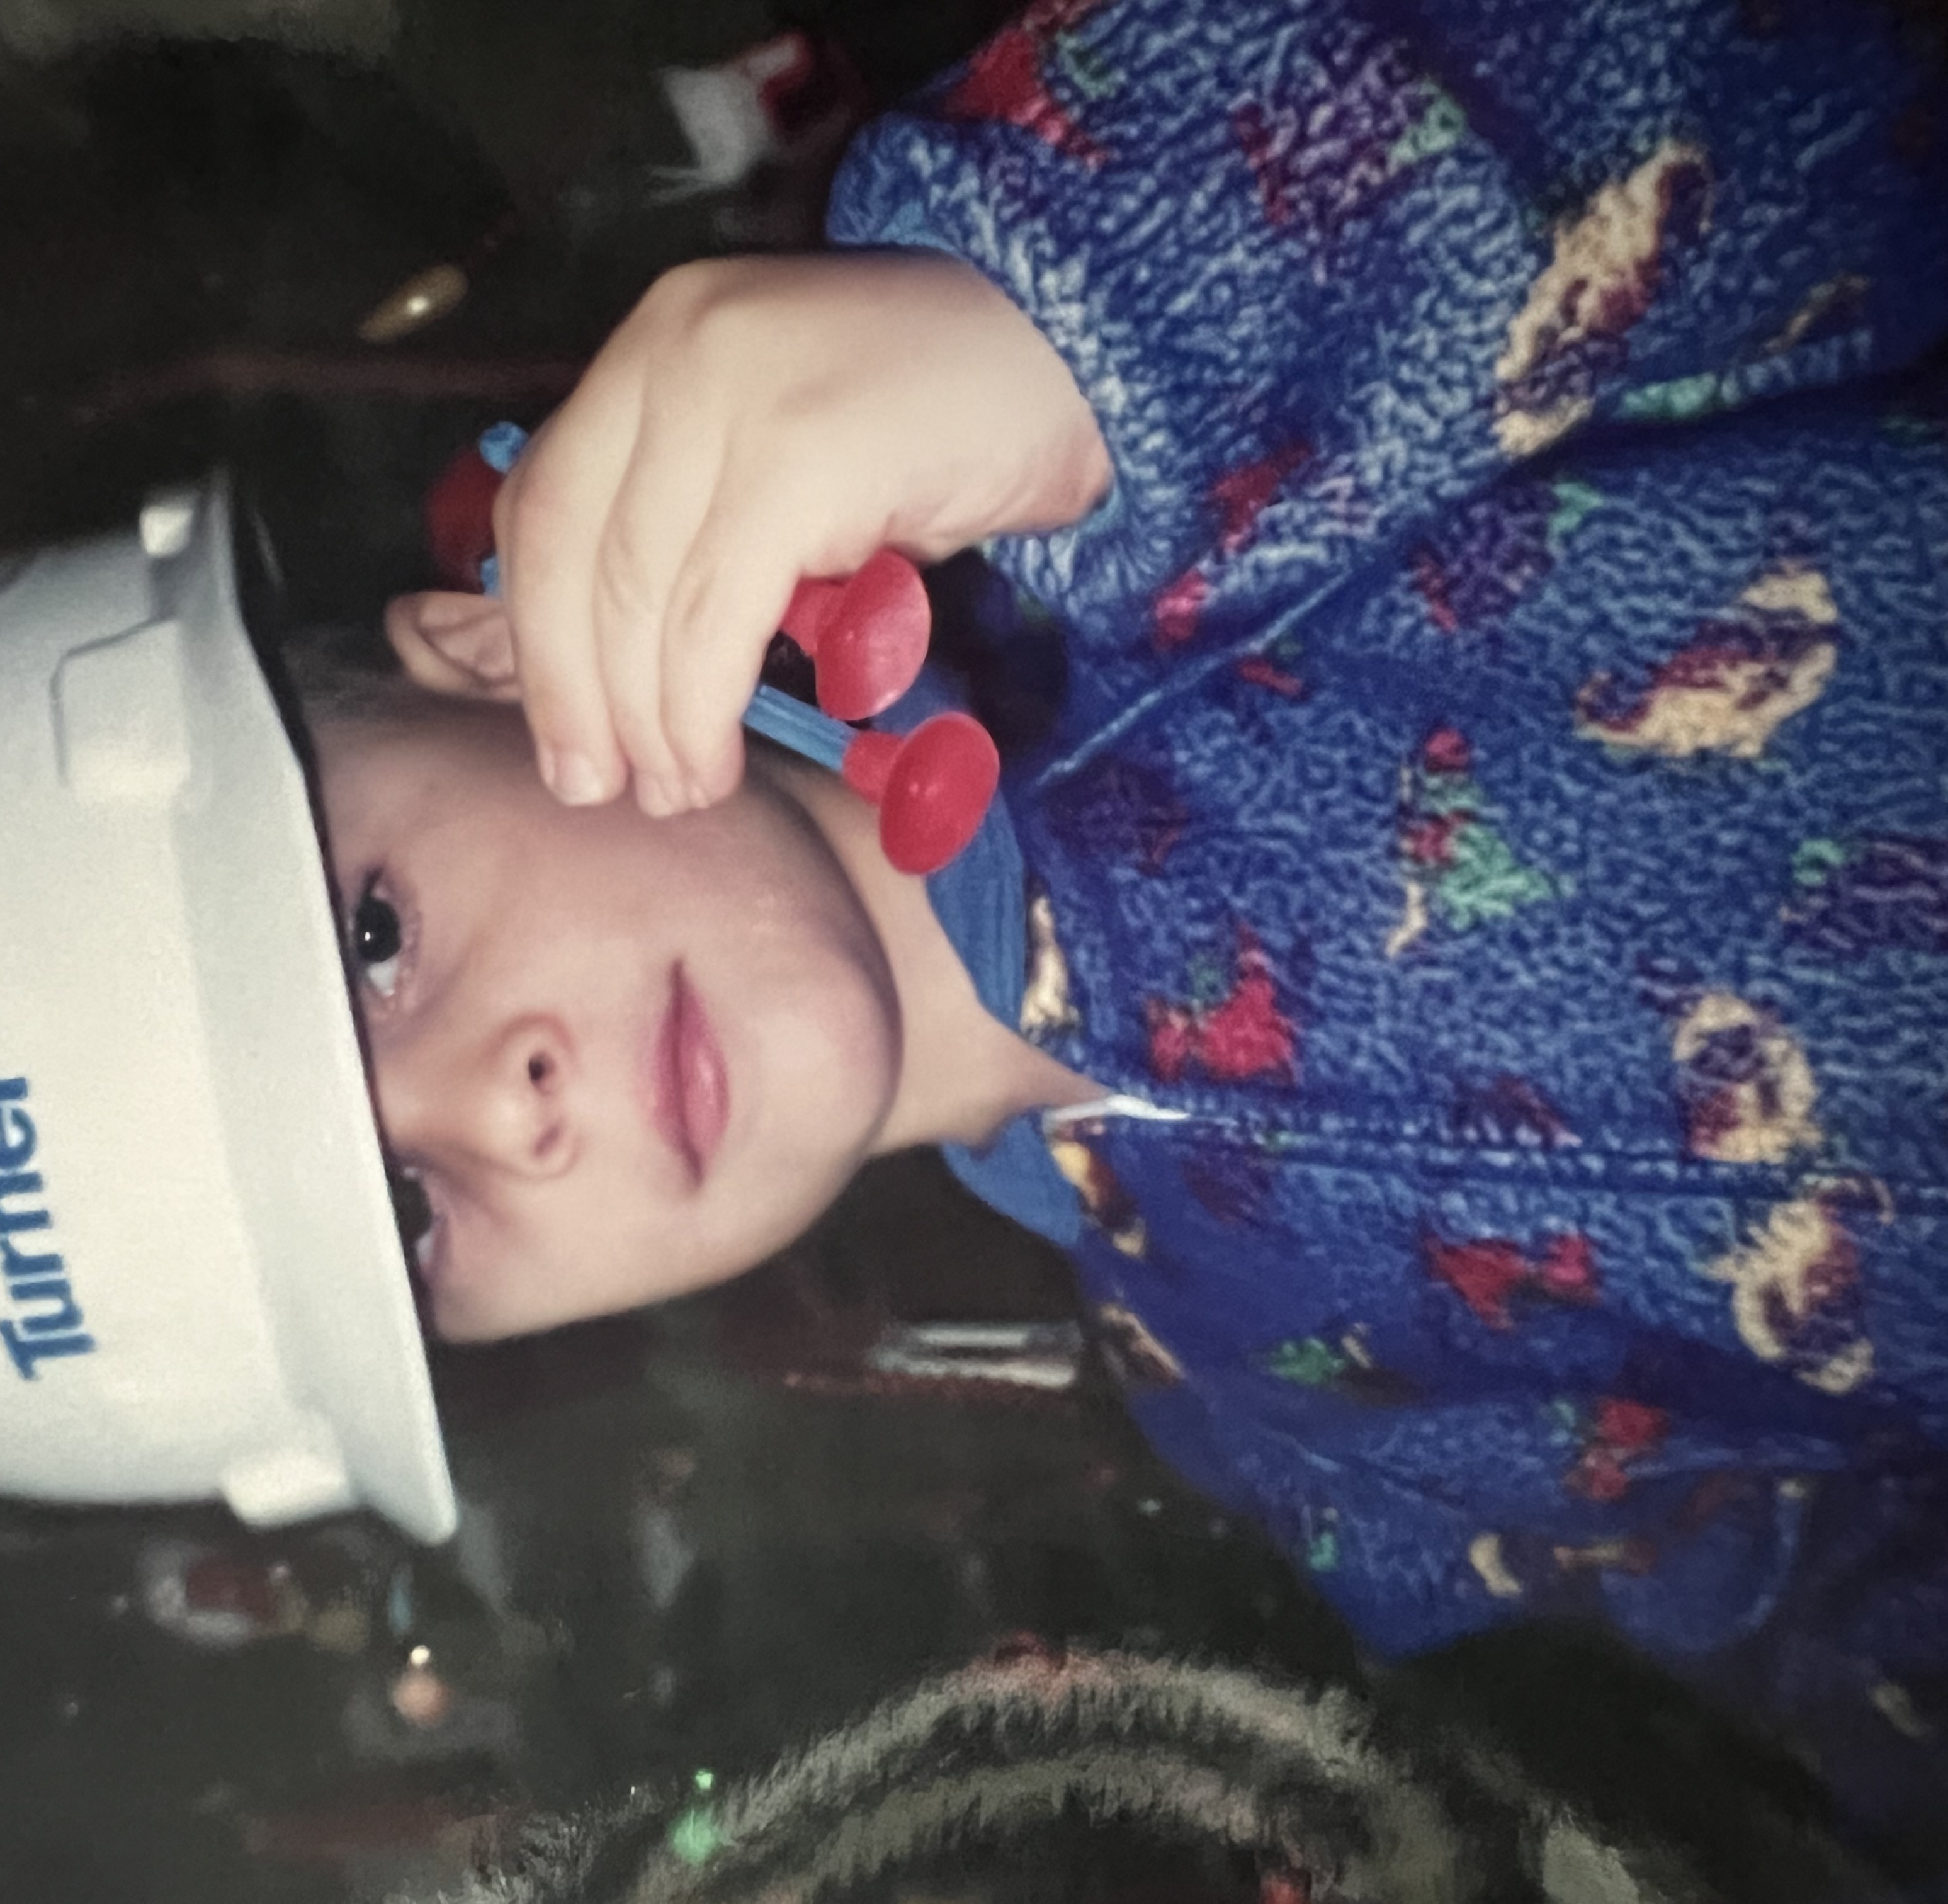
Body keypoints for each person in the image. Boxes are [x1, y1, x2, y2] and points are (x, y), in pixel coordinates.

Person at [330, 0, 1948, 1857]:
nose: (498, 1101)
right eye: (401, 1214)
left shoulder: (1128, 454)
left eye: (373, 936)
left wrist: (1097, 328)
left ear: (478, 653)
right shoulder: (1274, 1439)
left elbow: (1794, 86)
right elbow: (1819, 1600)